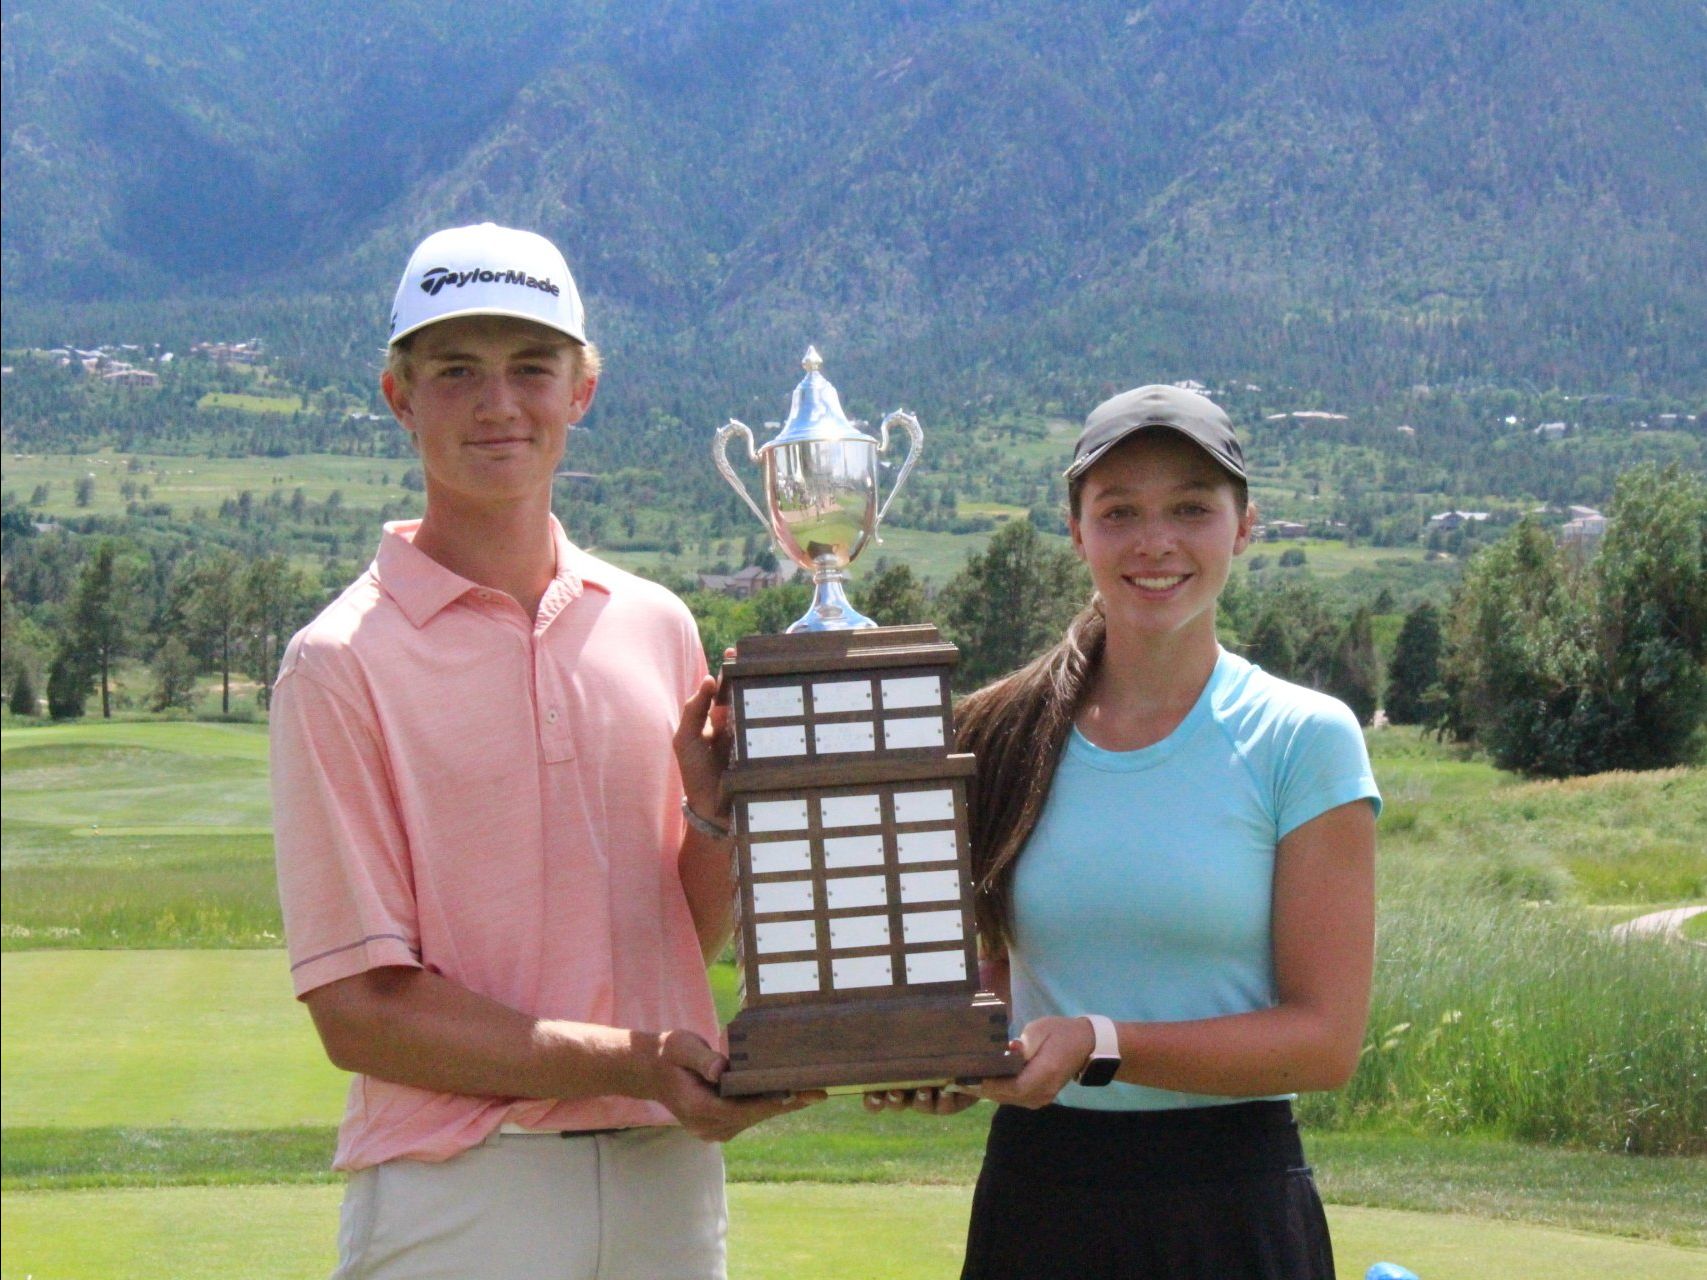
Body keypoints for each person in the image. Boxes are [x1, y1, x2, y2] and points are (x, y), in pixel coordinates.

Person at [270, 222, 814, 1280]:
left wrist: (712, 823)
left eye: (532, 368)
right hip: (463, 1184)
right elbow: (360, 1014)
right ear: (400, 396)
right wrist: (639, 1060)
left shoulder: (655, 623)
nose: (498, 404)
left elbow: (676, 937)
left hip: (667, 1178)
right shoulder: (338, 661)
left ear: (583, 390)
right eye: (456, 371)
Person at [872, 384, 1379, 1279]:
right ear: (1077, 532)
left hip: (1233, 1203)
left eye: (1191, 507)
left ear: (1243, 525)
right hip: (1038, 1195)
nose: (1156, 541)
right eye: (1119, 511)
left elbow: (1323, 1039)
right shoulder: (996, 731)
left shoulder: (1304, 737)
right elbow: (1004, 968)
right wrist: (939, 1045)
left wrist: (1098, 1044)